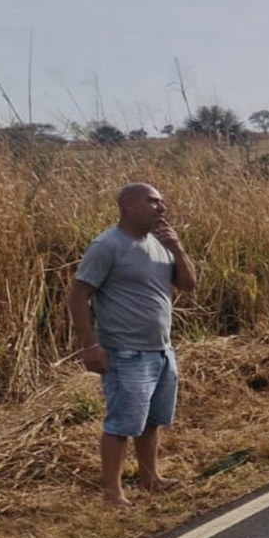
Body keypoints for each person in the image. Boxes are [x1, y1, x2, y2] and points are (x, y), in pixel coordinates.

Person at [67, 183, 199, 506]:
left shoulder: (161, 243)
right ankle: (113, 493)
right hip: (125, 352)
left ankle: (150, 479)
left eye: (162, 202)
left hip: (161, 350)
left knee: (151, 421)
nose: (161, 207)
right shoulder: (107, 245)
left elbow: (189, 285)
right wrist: (90, 345)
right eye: (152, 201)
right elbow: (78, 296)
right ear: (127, 206)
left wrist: (178, 249)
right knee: (122, 424)